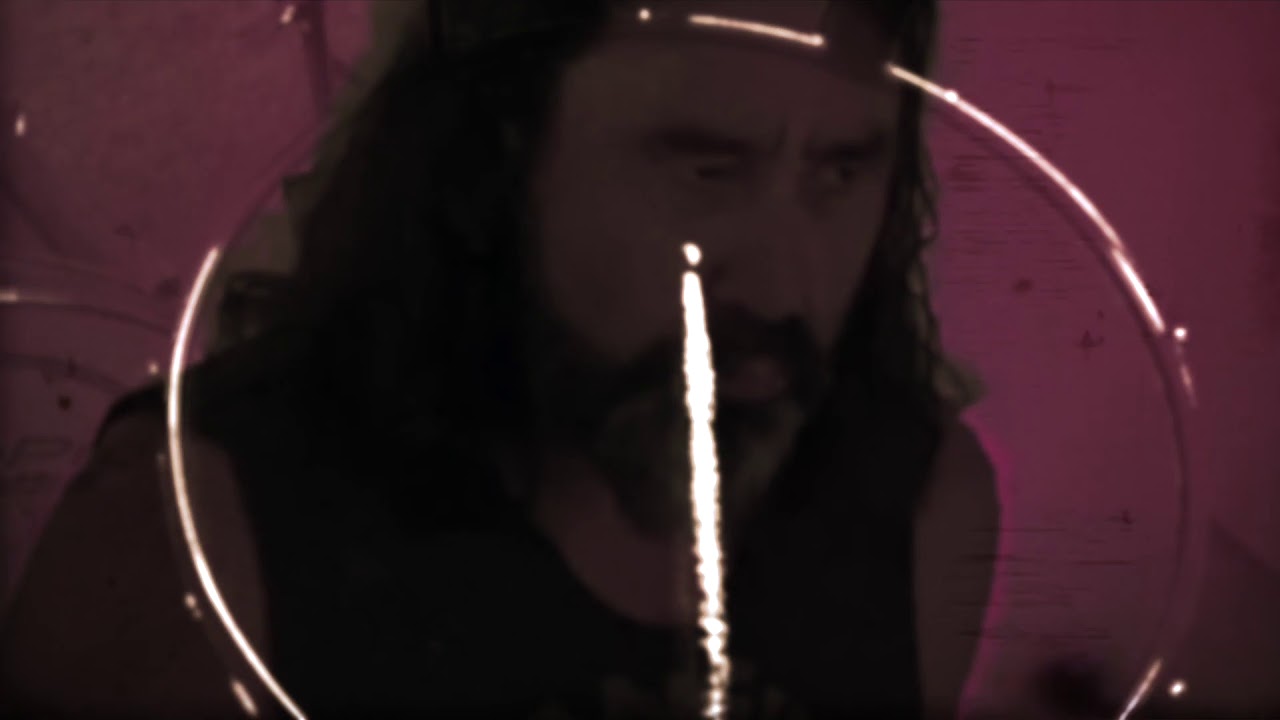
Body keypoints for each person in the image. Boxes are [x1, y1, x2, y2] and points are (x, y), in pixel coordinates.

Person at [0, 1, 999, 717]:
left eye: (840, 172)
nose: (785, 286)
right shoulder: (193, 542)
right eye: (706, 170)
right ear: (503, 149)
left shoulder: (917, 506)